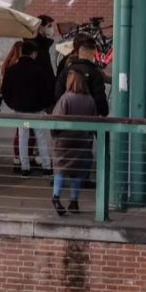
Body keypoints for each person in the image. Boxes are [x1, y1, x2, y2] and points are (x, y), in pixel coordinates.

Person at [1, 39, 54, 176]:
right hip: (37, 110)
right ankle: (47, 166)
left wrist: (13, 104)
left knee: (22, 137)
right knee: (41, 137)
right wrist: (44, 105)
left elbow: (5, 91)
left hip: (20, 110)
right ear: (34, 53)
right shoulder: (39, 70)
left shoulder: (12, 70)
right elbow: (47, 91)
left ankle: (25, 167)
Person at [50, 70, 99, 216]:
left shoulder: (65, 99)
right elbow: (95, 121)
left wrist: (55, 135)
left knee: (60, 168)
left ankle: (56, 197)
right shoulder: (90, 100)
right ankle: (74, 201)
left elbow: (56, 121)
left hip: (64, 141)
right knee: (78, 171)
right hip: (83, 141)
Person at [55, 40, 109, 116]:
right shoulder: (95, 73)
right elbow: (99, 98)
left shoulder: (66, 70)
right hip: (89, 118)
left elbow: (58, 93)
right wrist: (104, 112)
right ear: (91, 54)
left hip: (67, 119)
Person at [27, 14, 56, 87]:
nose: (51, 28)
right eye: (49, 26)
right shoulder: (35, 44)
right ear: (40, 27)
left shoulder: (43, 43)